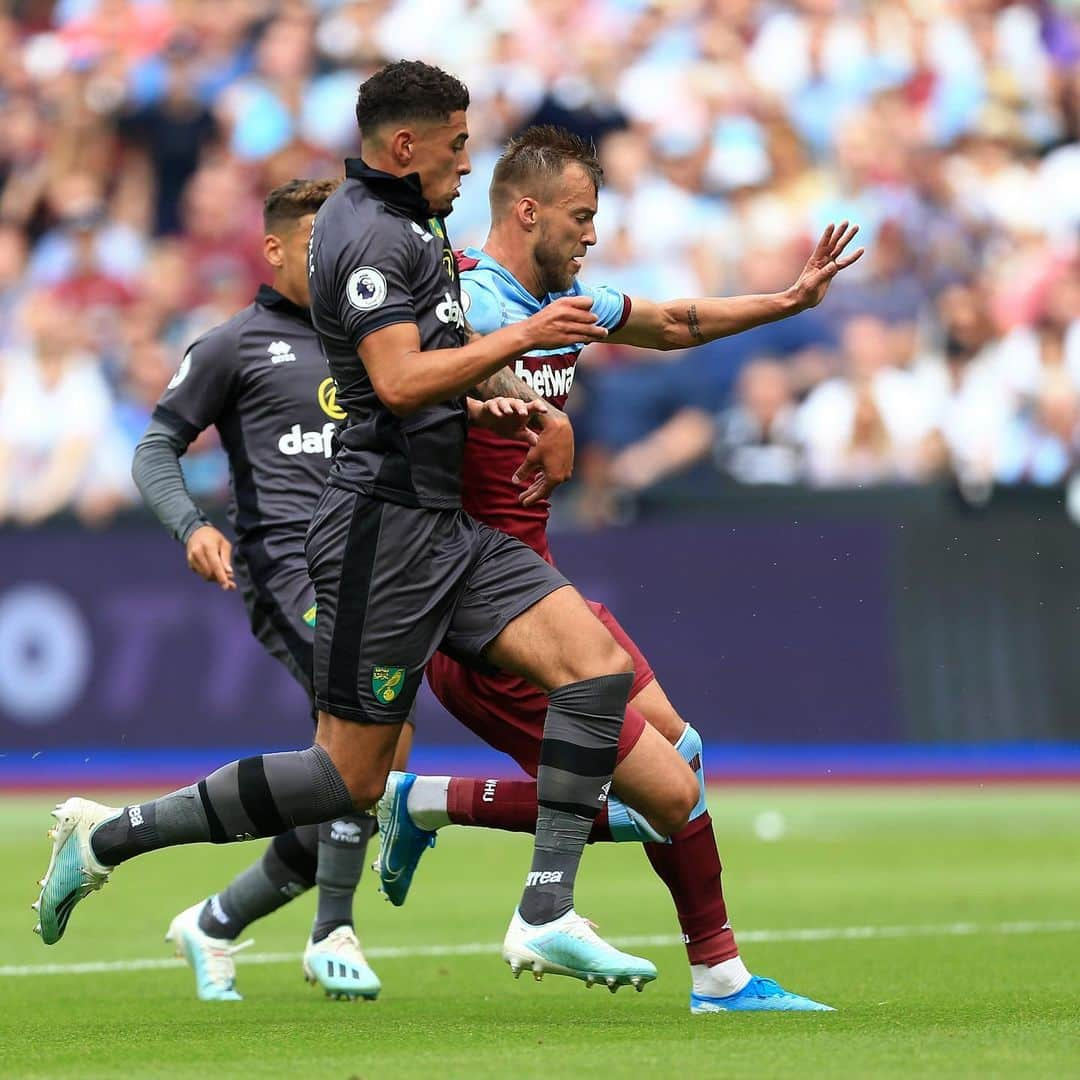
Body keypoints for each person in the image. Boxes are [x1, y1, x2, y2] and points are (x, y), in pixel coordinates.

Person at [35, 61, 694, 995]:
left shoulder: (412, 221)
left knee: (596, 666)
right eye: (459, 145)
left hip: (443, 526)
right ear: (405, 146)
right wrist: (522, 339)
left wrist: (520, 404)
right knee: (345, 781)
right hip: (378, 537)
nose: (470, 165)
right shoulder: (372, 234)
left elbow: (443, 362)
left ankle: (545, 909)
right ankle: (108, 837)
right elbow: (395, 381)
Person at [375, 124, 861, 1013]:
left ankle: (437, 805)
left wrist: (788, 303)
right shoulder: (467, 309)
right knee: (664, 798)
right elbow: (427, 387)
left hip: (543, 594)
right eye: (581, 217)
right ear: (528, 212)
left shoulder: (566, 304)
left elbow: (675, 322)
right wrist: (525, 409)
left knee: (685, 757)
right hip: (489, 627)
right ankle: (715, 975)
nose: (593, 234)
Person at [124, 178, 408, 1003]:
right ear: (276, 248)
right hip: (289, 571)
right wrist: (192, 526)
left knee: (352, 769)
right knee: (375, 725)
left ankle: (215, 921)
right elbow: (155, 449)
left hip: (380, 569)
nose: (337, 259)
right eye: (320, 243)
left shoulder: (374, 339)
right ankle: (333, 930)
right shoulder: (232, 345)